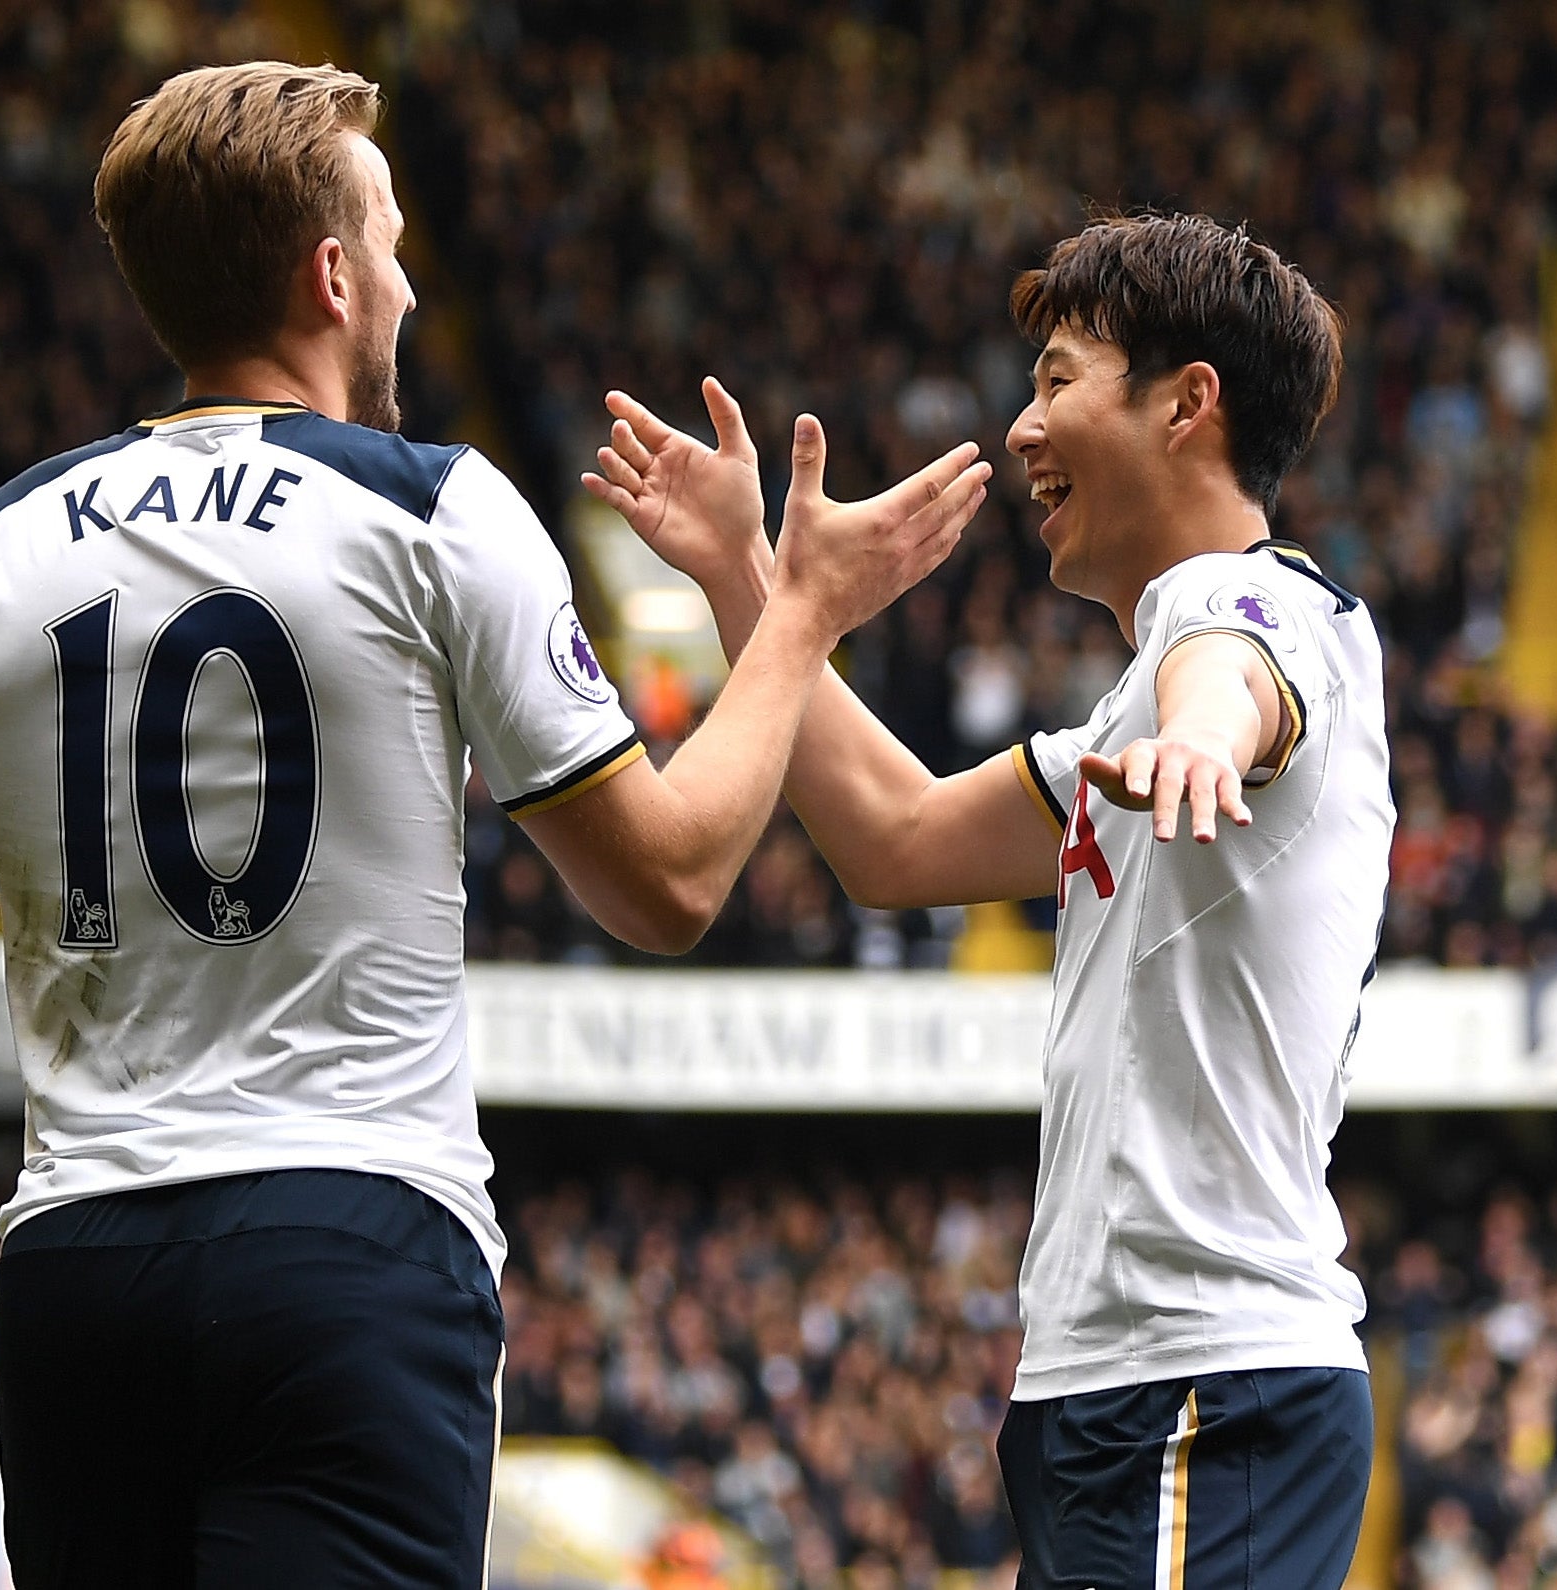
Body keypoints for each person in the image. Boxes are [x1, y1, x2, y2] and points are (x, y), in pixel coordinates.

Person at [0, 61, 989, 1588]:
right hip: (349, 1252)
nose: (401, 280)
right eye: (387, 243)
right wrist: (798, 616)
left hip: (78, 1274)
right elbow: (669, 881)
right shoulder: (434, 509)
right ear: (331, 275)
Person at [585, 213, 1392, 1588]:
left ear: (1188, 402)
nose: (1023, 428)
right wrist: (745, 580)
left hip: (1206, 1379)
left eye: (1060, 380)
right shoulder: (1125, 722)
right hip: (1116, 1383)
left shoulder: (1255, 612)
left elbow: (1232, 670)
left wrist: (1203, 737)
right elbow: (894, 839)